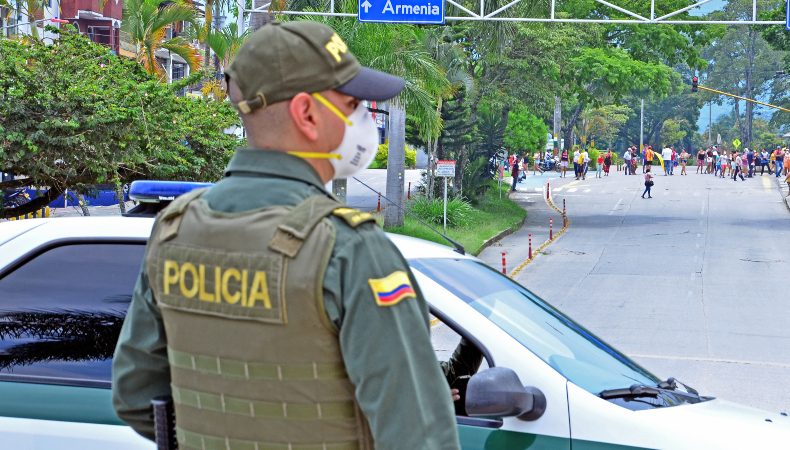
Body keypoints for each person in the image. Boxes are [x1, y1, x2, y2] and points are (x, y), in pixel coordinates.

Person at [111, 21, 463, 450]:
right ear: (307, 114)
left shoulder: (175, 228)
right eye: (352, 104)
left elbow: (134, 397)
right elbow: (420, 438)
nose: (364, 118)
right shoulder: (349, 250)